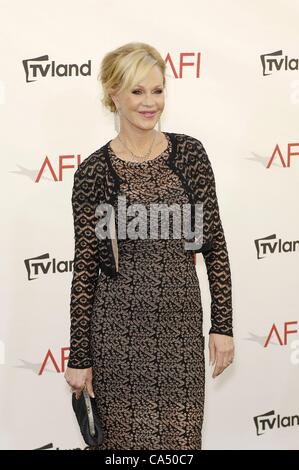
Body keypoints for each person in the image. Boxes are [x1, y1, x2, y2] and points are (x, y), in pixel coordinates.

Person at [64, 42, 234, 450]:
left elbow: (214, 245)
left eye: (157, 91)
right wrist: (80, 355)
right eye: (138, 91)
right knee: (122, 447)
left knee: (180, 444)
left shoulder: (190, 154)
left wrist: (223, 325)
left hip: (180, 331)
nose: (150, 102)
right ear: (113, 95)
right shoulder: (94, 172)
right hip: (117, 335)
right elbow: (86, 268)